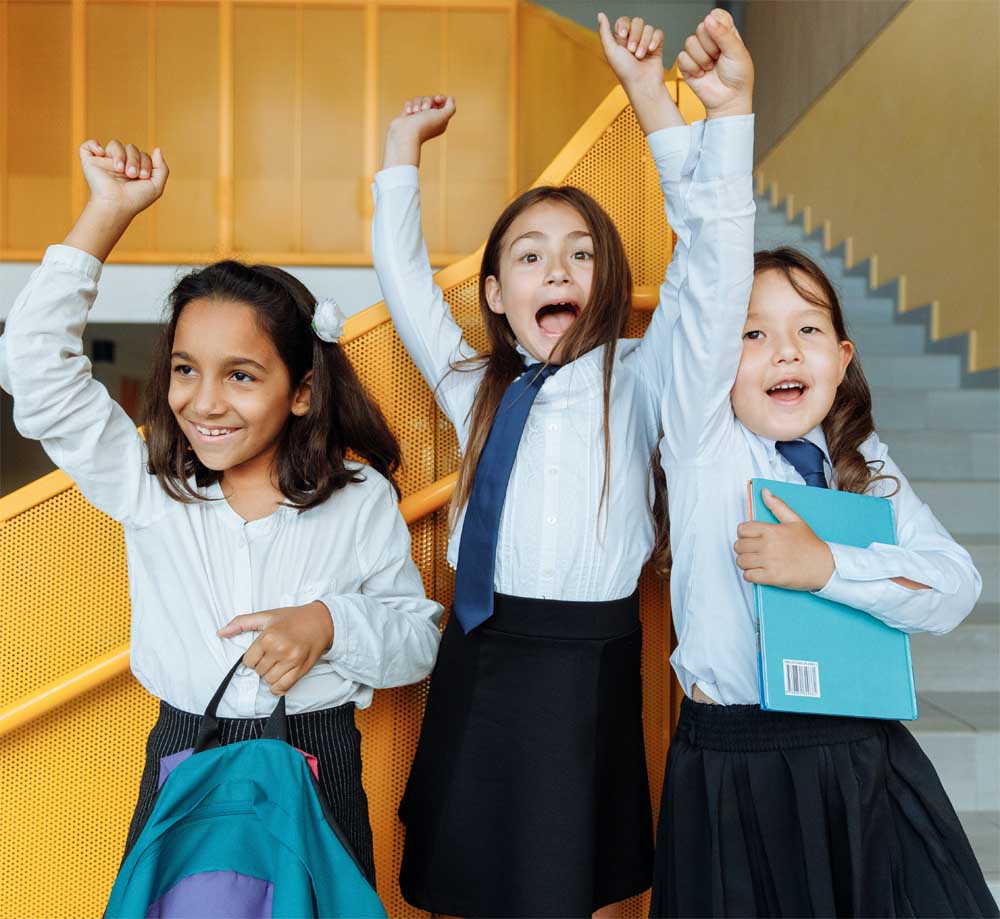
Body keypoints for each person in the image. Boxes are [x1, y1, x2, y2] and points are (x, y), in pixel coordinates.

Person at [0, 138, 443, 884]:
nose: (204, 401)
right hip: (185, 755)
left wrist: (328, 622)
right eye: (184, 370)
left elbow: (417, 642)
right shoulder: (149, 485)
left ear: (301, 390)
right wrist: (106, 215)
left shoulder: (357, 496)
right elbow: (35, 370)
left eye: (240, 375)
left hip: (319, 760)